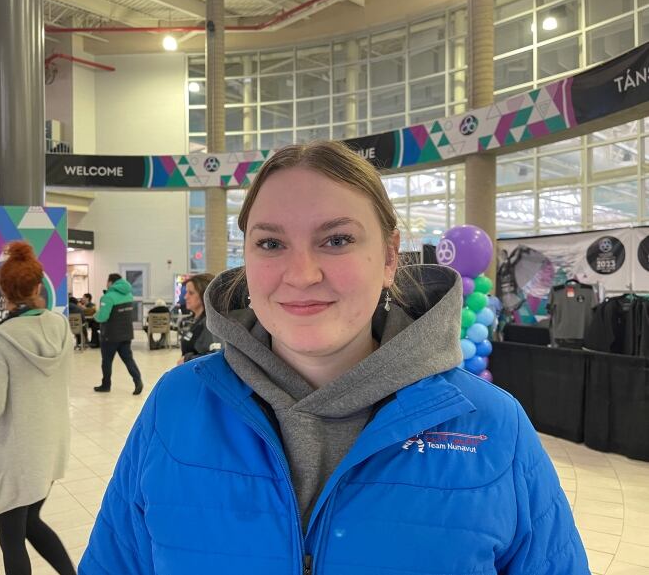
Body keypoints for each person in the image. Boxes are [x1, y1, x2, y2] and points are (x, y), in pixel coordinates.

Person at [79, 141, 588, 574]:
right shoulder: (177, 406)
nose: (301, 273)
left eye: (337, 240)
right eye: (271, 242)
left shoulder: (493, 428)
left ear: (390, 257)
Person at [0, 241, 76, 575]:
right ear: (40, 286)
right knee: (31, 522)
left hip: (16, 453)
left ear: (4, 292)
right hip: (50, 446)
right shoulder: (60, 327)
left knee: (11, 536)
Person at [93, 274, 143, 394]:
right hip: (126, 334)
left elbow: (103, 317)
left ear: (110, 282)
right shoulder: (129, 295)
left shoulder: (108, 297)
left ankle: (106, 385)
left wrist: (95, 316)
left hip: (110, 335)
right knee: (128, 359)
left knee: (107, 361)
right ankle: (138, 381)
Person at [177, 274, 220, 364]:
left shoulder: (210, 323)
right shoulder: (197, 320)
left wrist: (187, 359)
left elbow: (215, 357)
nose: (185, 297)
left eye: (191, 293)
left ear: (204, 295)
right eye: (186, 292)